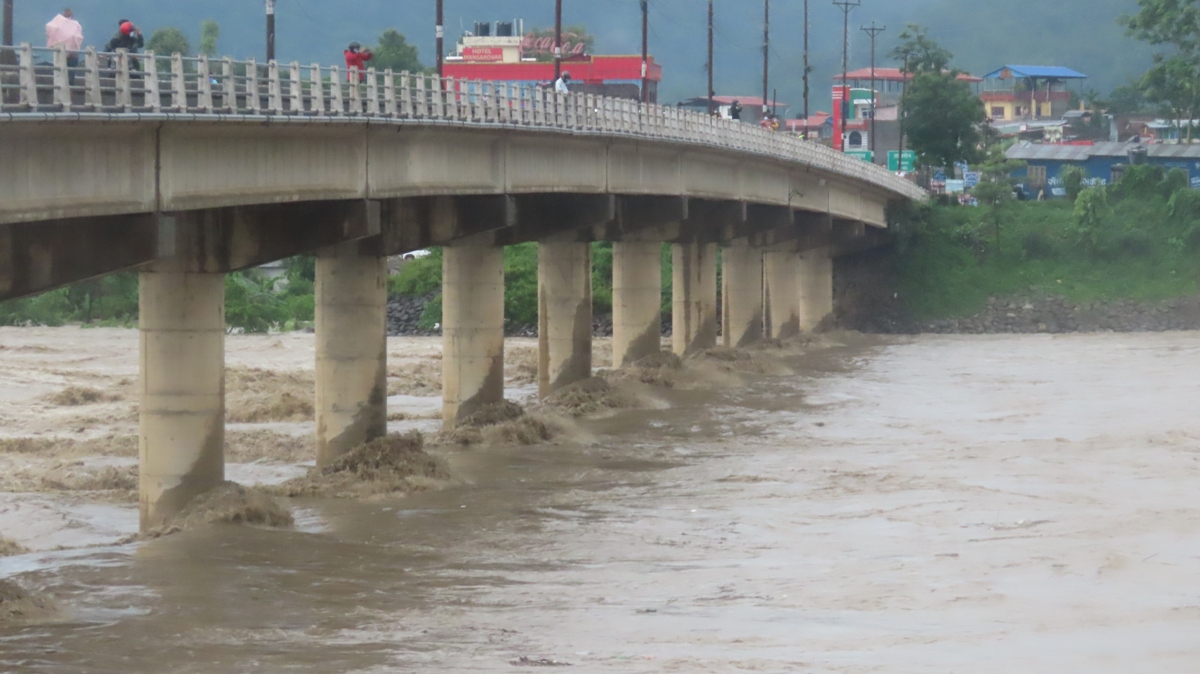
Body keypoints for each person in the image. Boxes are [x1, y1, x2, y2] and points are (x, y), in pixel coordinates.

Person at [46, 8, 84, 81]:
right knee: (70, 76)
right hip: (73, 55)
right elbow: (78, 39)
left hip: (62, 54)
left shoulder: (58, 26)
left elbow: (50, 33)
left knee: (60, 75)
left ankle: (66, 89)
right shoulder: (76, 26)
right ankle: (70, 90)